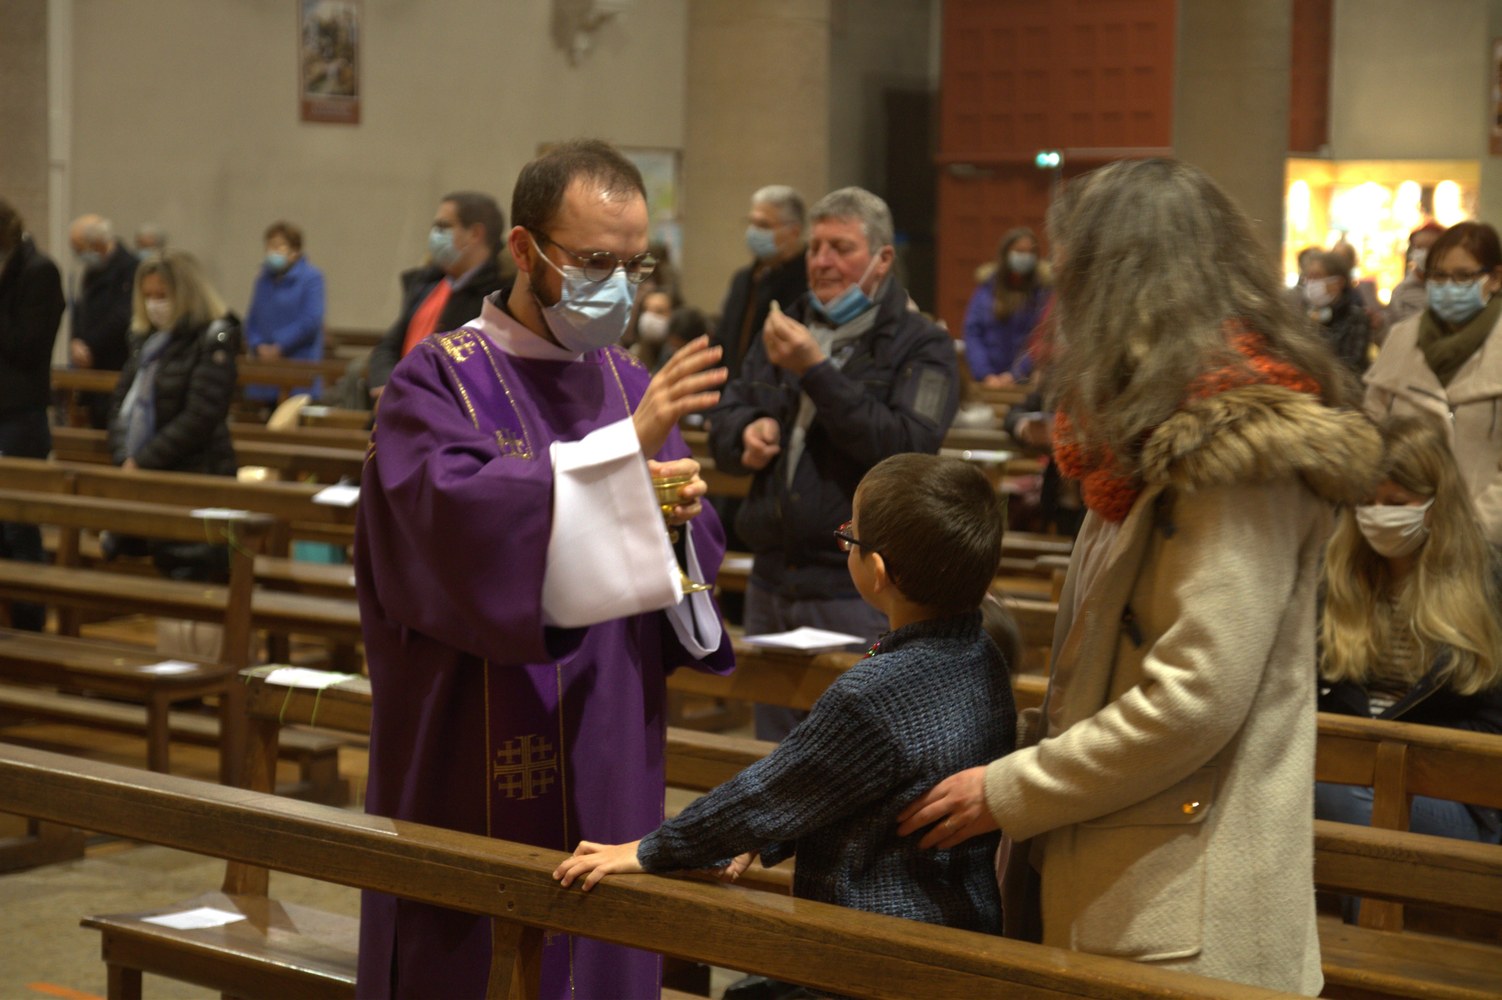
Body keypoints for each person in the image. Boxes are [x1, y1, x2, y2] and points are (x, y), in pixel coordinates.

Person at [896, 158, 1381, 995]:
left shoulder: (1235, 455)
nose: (1062, 306)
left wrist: (1011, 789)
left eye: (1075, 276)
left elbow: (1196, 698)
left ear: (1124, 284)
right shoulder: (1138, 439)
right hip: (1119, 861)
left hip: (1185, 899)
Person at [354, 138, 734, 1000]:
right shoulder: (435, 381)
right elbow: (452, 526)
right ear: (524, 250)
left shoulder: (629, 381)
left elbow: (692, 548)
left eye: (635, 266)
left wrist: (676, 517)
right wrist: (624, 458)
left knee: (600, 961)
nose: (619, 287)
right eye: (595, 262)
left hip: (607, 727)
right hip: (473, 731)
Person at [554, 453, 1015, 943]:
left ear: (877, 571)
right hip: (962, 924)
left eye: (850, 536)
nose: (845, 543)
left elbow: (768, 793)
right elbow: (844, 787)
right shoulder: (981, 653)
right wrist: (756, 837)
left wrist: (651, 850)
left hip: (872, 942)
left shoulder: (873, 695)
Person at [706, 186, 960, 742]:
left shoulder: (922, 344)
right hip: (773, 579)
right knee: (773, 755)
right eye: (816, 247)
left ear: (882, 259)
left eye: (841, 248)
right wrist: (744, 432)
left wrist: (816, 371)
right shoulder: (786, 324)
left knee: (850, 753)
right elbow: (726, 414)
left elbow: (907, 448)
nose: (822, 261)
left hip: (856, 588)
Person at [1317, 412, 1502, 848]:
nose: (1378, 515)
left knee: (1332, 795)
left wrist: (1388, 749)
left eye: (1396, 503)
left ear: (1437, 505)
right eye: (1367, 502)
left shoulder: (1488, 587)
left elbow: (1494, 726)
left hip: (1453, 796)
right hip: (1348, 772)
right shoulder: (1336, 579)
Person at [105, 251, 241, 579]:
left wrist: (141, 461)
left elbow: (201, 415)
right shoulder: (147, 343)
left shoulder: (213, 338)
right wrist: (125, 456)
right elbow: (120, 406)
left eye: (162, 296)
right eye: (148, 296)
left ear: (185, 294)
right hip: (145, 477)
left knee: (192, 575)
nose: (154, 305)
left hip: (196, 472)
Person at [1365, 221, 1502, 544]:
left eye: (1463, 276)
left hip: (1485, 539)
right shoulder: (1402, 337)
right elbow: (1373, 432)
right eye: (1438, 276)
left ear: (1495, 278)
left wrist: (1476, 530)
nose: (1449, 287)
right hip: (1406, 534)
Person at [365, 190, 506, 402]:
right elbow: (388, 347)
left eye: (443, 226)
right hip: (400, 405)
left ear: (475, 234)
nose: (434, 235)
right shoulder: (428, 284)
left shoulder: (499, 298)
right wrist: (386, 385)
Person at [0, 198, 65, 631]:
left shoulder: (39, 272)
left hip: (19, 417)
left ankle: (29, 630)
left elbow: (27, 346)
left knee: (18, 528)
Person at [712, 185, 809, 381]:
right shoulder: (743, 280)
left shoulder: (809, 282)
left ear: (794, 232)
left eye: (763, 225)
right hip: (734, 391)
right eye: (752, 223)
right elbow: (723, 341)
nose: (754, 232)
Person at [68, 214, 139, 427]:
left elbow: (122, 316)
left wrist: (89, 345)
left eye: (79, 249)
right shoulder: (92, 272)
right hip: (91, 368)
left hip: (116, 364)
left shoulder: (131, 268)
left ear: (97, 244)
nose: (78, 255)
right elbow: (81, 310)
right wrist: (76, 341)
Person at [244, 220, 326, 404]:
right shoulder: (263, 279)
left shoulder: (311, 278)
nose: (272, 252)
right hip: (264, 367)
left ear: (295, 251)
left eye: (278, 246)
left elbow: (311, 320)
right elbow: (252, 319)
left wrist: (279, 346)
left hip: (297, 364)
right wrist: (258, 345)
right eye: (269, 246)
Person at [962, 227, 1049, 386]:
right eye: (1019, 251)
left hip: (1024, 381)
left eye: (1030, 252)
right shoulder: (987, 288)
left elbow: (1041, 337)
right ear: (1006, 253)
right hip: (988, 380)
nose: (1025, 257)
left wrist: (1015, 375)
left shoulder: (1042, 292)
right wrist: (985, 374)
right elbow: (973, 332)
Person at [1301, 248, 1371, 374]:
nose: (1311, 283)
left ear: (1338, 282)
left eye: (1317, 276)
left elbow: (1351, 364)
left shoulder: (1355, 317)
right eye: (1308, 277)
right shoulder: (1303, 313)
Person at [1383, 221, 1444, 333]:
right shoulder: (1401, 292)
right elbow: (1392, 334)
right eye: (1419, 247)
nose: (1424, 253)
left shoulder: (1452, 288)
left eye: (1430, 247)